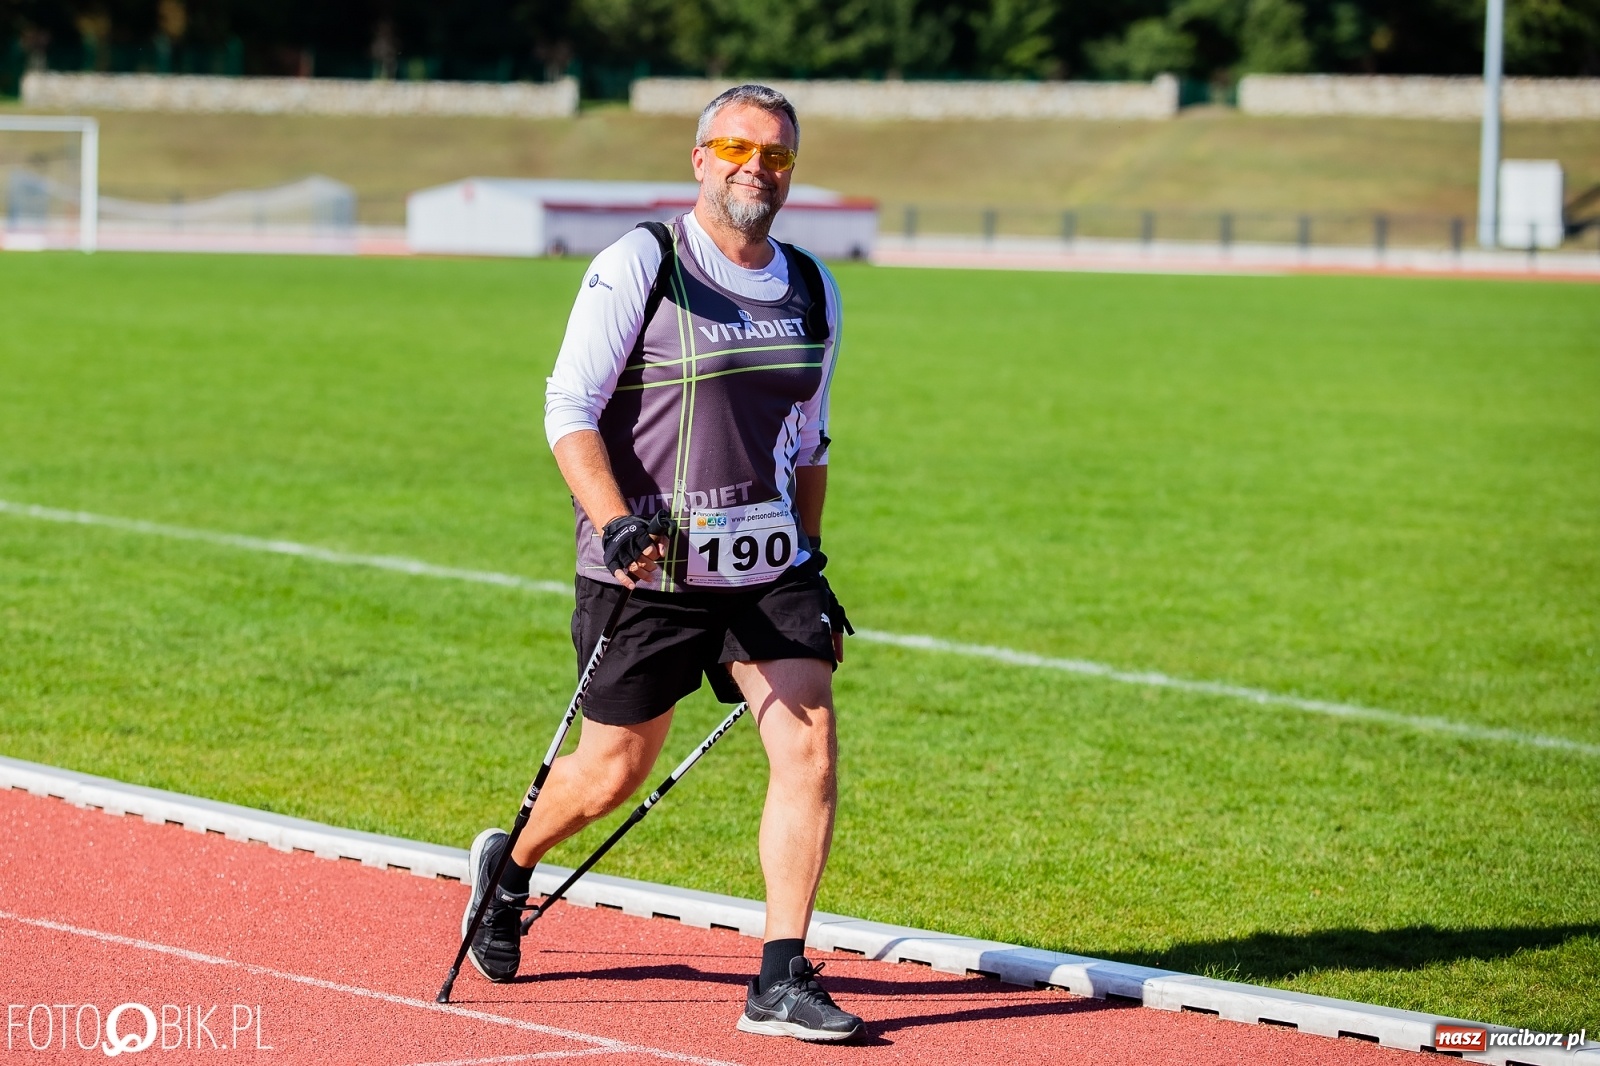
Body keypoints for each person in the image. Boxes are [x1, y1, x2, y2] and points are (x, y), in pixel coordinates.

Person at [461, 83, 861, 1044]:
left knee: (808, 746)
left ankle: (780, 976)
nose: (752, 169)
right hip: (648, 564)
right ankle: (509, 868)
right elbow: (569, 407)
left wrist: (808, 552)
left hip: (766, 561)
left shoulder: (813, 284)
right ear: (699, 158)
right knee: (612, 771)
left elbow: (810, 437)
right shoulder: (641, 261)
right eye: (734, 148)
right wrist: (611, 524)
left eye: (774, 155)